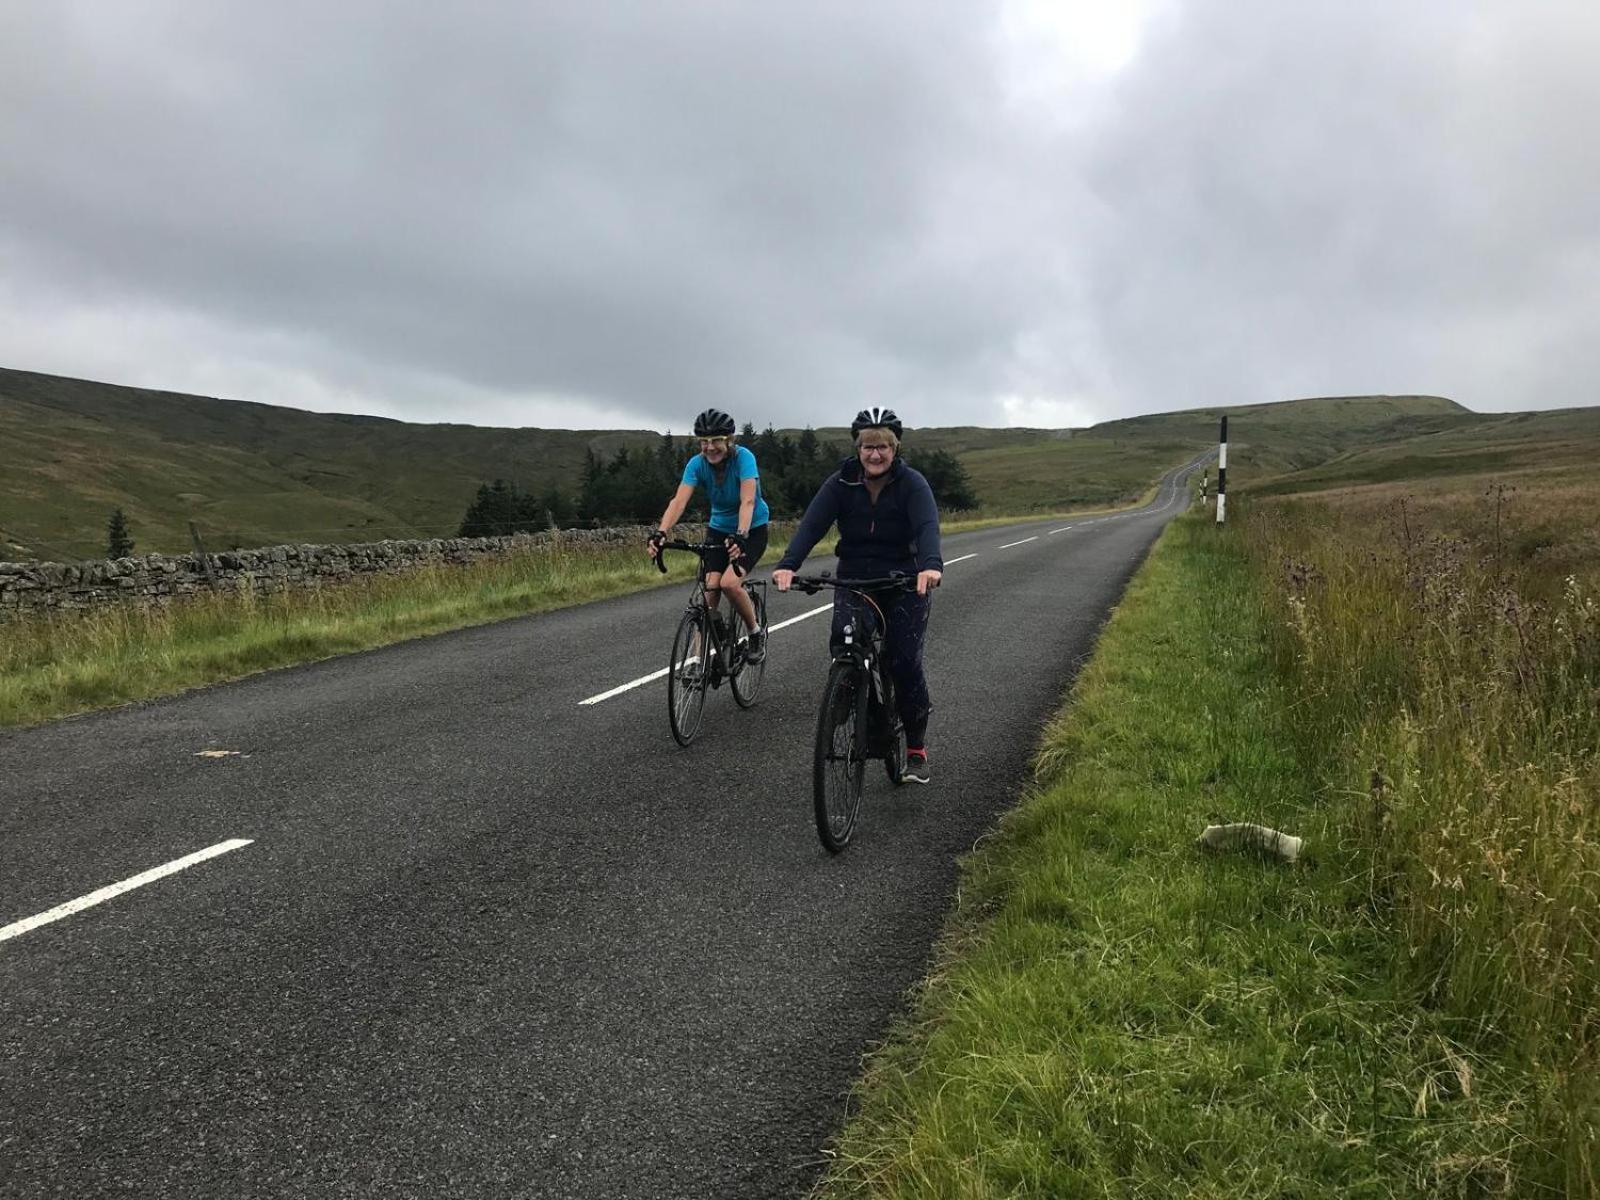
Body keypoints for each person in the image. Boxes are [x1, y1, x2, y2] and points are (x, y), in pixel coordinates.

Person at [772, 407, 942, 784]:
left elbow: (928, 525)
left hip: (904, 582)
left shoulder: (912, 484)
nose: (875, 454)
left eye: (883, 446)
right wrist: (789, 562)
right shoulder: (841, 483)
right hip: (856, 580)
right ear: (858, 449)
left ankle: (915, 746)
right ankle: (847, 694)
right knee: (846, 645)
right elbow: (813, 523)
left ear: (894, 449)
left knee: (903, 662)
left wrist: (931, 565)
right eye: (868, 447)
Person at [647, 408, 771, 663]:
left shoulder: (744, 458)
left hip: (752, 528)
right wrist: (661, 532)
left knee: (728, 584)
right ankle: (697, 661)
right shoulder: (697, 464)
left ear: (729, 440)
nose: (709, 447)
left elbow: (747, 501)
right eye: (704, 441)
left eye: (716, 440)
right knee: (709, 591)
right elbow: (679, 501)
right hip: (718, 528)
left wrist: (741, 535)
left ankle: (755, 632)